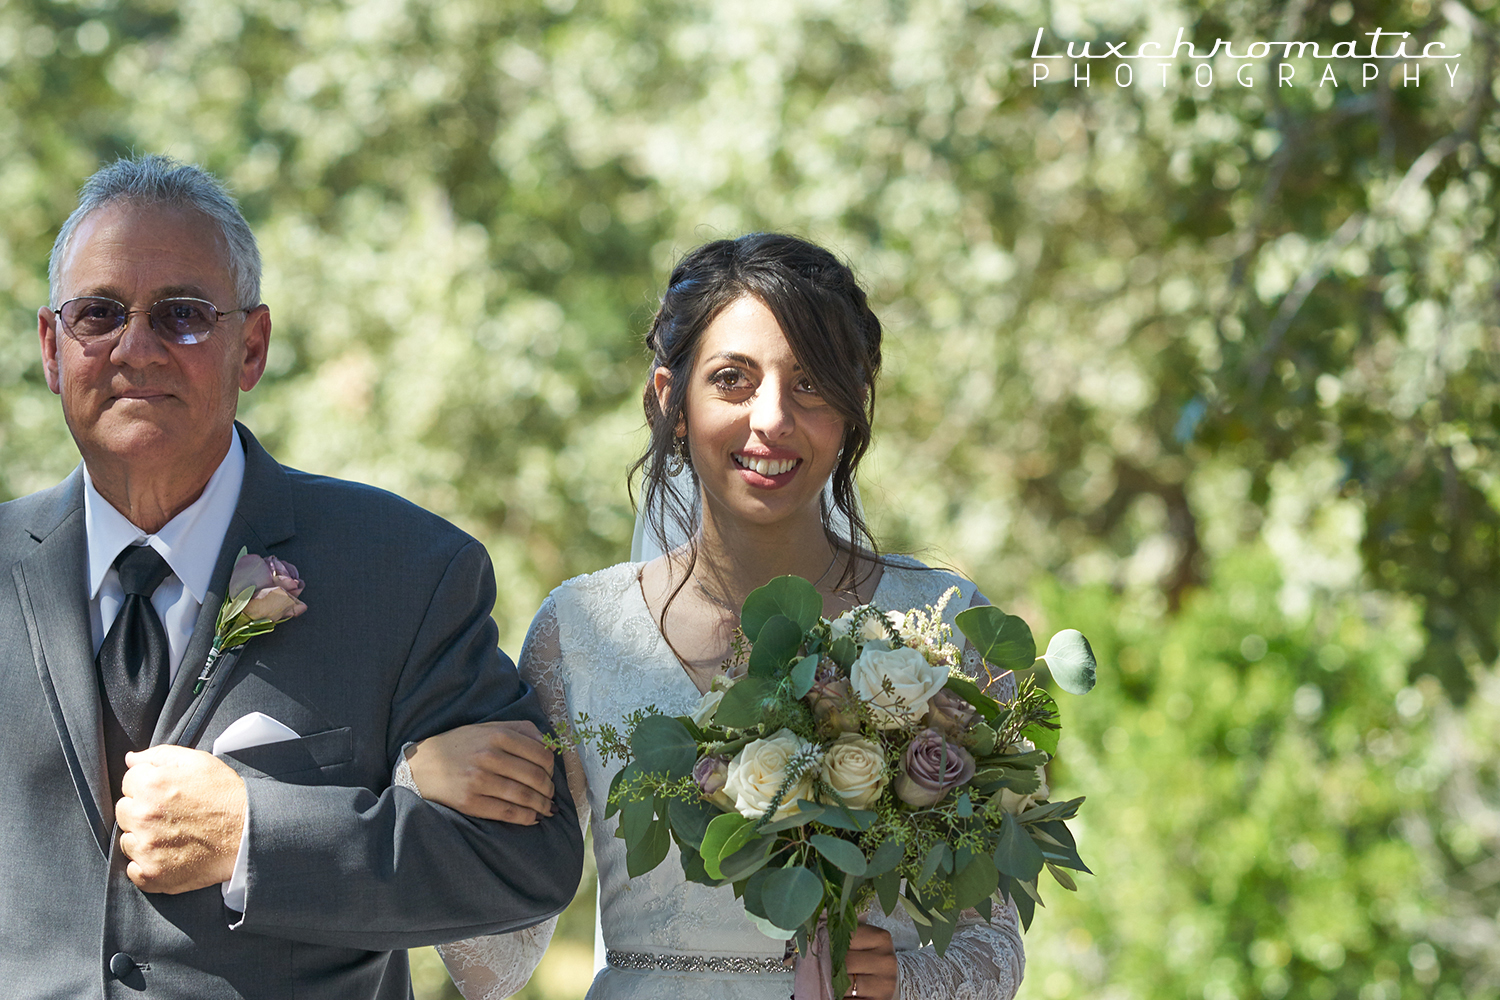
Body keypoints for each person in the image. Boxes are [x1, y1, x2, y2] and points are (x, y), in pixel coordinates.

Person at [0, 154, 584, 999]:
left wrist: (255, 835)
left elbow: (524, 863)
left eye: (184, 315)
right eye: (99, 313)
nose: (137, 346)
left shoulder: (408, 572)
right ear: (54, 348)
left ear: (253, 347)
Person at [404, 233, 1026, 999]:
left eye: (811, 385)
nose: (772, 420)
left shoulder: (944, 625)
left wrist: (910, 980)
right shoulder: (580, 632)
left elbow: (994, 941)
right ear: (671, 397)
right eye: (733, 379)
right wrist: (424, 794)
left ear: (853, 401)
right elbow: (494, 966)